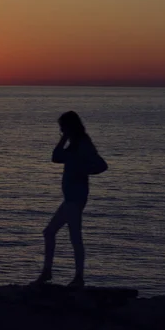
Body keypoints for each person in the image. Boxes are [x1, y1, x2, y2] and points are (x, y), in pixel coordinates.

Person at [35, 111, 106, 288]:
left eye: (63, 127)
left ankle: (67, 276)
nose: (61, 130)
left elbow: (101, 165)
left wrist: (83, 171)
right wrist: (64, 139)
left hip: (76, 197)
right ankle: (56, 273)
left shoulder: (83, 143)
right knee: (56, 234)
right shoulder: (73, 144)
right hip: (71, 198)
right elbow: (56, 157)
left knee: (67, 236)